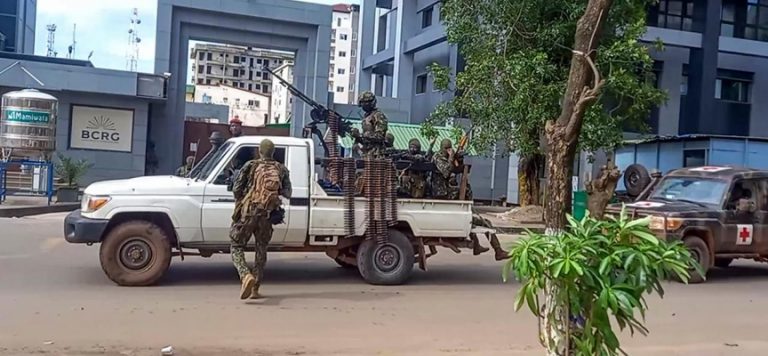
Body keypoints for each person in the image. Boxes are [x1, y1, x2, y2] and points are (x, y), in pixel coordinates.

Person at [229, 139, 292, 300]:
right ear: (273, 152)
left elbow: (237, 189)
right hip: (268, 214)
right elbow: (288, 193)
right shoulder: (281, 169)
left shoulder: (251, 165)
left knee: (236, 245)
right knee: (261, 248)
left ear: (259, 151)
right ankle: (255, 288)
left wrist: (242, 200)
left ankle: (245, 276)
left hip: (249, 211)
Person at [351, 91, 388, 158]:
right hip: (366, 153)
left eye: (366, 102)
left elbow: (380, 136)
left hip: (377, 154)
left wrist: (362, 135)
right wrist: (357, 136)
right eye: (362, 103)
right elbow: (365, 140)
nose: (364, 105)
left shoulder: (378, 115)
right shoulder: (366, 117)